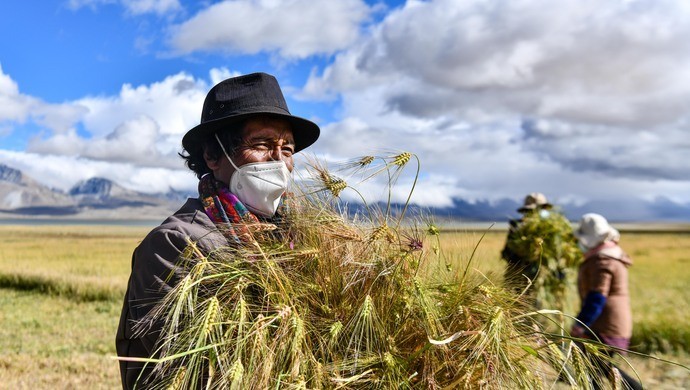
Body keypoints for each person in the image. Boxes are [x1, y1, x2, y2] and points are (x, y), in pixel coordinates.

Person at [115, 72, 320, 389]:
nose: (279, 161)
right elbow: (195, 369)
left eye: (288, 149)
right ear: (212, 155)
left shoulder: (302, 238)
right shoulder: (176, 243)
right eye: (262, 145)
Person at [571, 213, 642, 389]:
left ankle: (636, 388)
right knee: (594, 365)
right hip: (608, 322)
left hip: (604, 324)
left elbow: (597, 296)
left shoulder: (602, 260)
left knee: (596, 365)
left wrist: (582, 324)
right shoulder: (610, 255)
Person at [500, 193, 579, 312]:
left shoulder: (519, 227)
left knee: (524, 310)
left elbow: (506, 254)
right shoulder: (555, 226)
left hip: (533, 279)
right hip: (532, 278)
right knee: (536, 310)